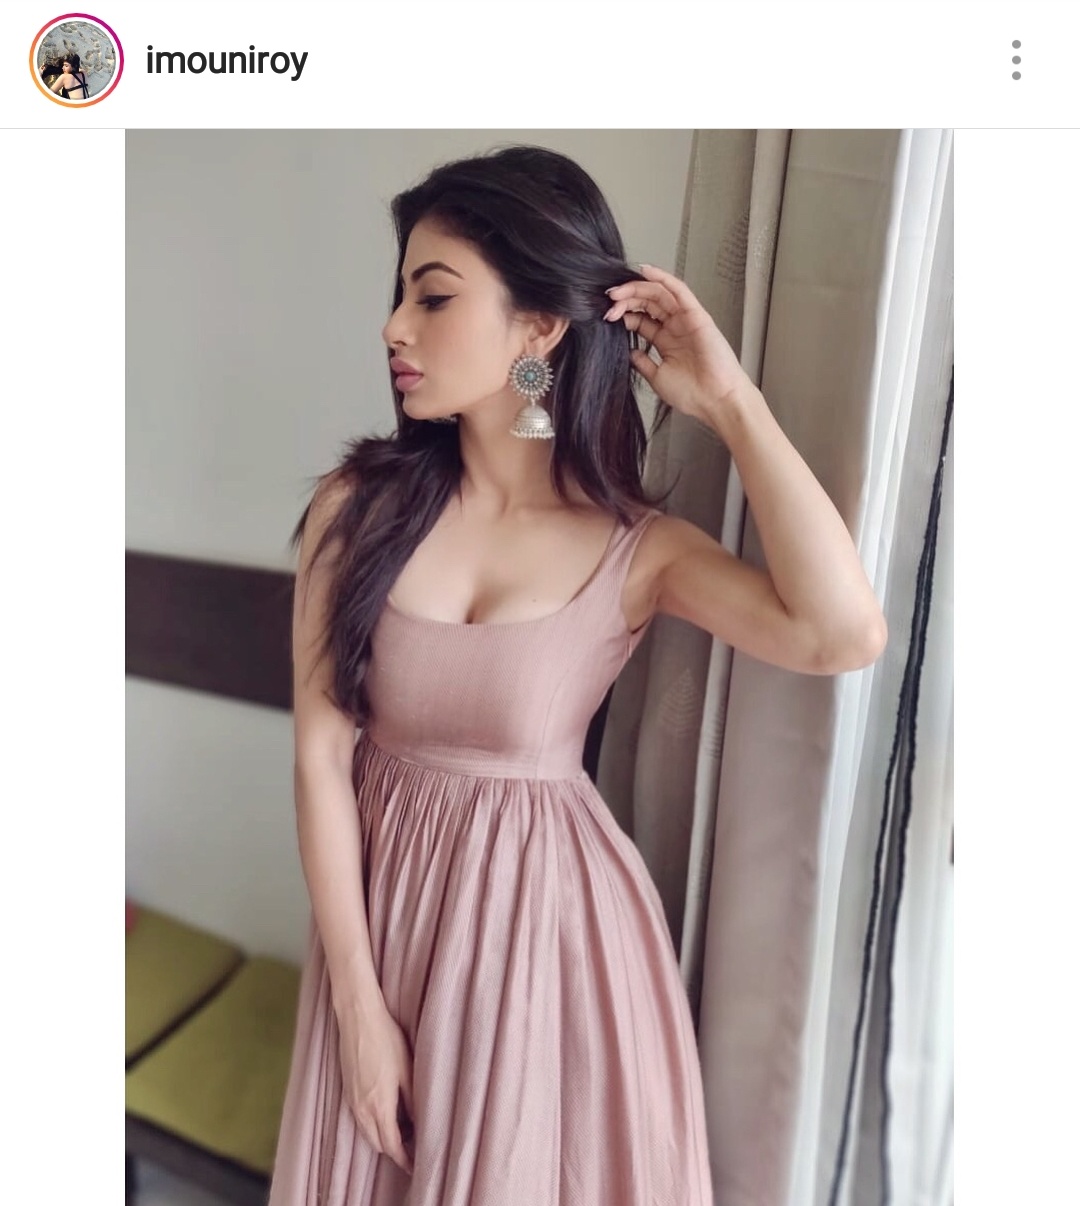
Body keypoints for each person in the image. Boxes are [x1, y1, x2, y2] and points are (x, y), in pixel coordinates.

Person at [268, 145, 887, 1206]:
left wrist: (730, 400)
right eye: (399, 296)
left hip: (547, 953)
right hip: (382, 936)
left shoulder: (636, 551)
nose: (394, 329)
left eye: (433, 297)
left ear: (540, 329)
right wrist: (361, 1013)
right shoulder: (356, 507)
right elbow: (321, 762)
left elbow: (842, 635)